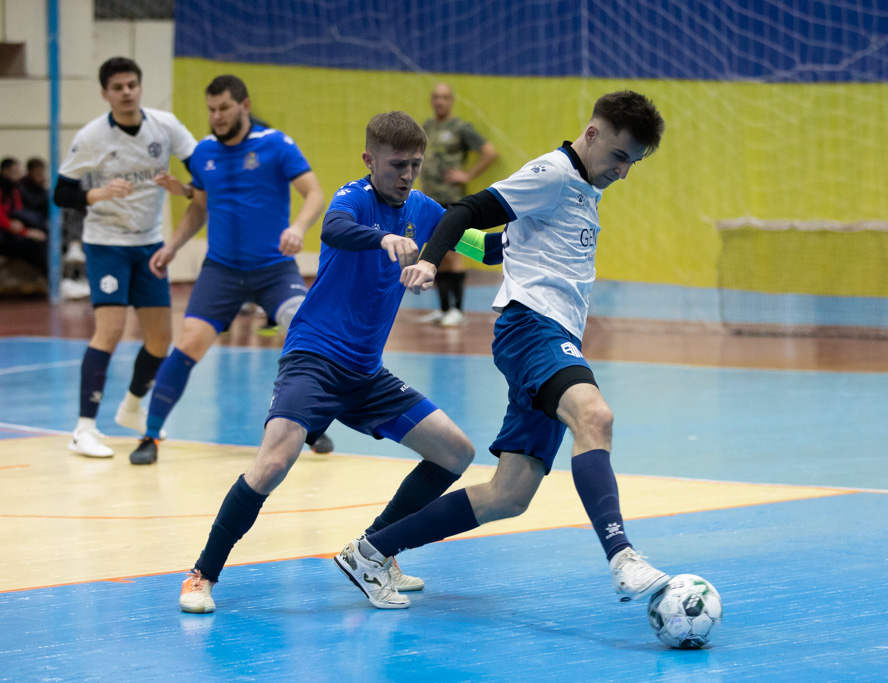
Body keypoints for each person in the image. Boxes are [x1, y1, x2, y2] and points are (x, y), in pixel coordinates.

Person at [335, 91, 670, 610]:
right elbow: (469, 208)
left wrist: (482, 247)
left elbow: (502, 246)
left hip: (552, 335)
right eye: (620, 156)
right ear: (593, 134)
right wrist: (430, 259)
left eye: (634, 163)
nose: (623, 171)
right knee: (594, 416)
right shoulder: (553, 174)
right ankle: (622, 557)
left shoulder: (584, 187)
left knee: (509, 496)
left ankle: (370, 551)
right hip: (533, 329)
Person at [178, 110, 495, 613]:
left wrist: (534, 239)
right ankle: (202, 574)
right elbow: (334, 228)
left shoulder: (424, 208)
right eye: (396, 165)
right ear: (370, 160)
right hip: (315, 358)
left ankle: (373, 551)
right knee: (273, 462)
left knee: (455, 452)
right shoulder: (355, 198)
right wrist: (382, 237)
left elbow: (481, 247)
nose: (407, 175)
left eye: (415, 165)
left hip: (366, 374)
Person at [126, 75, 329, 465]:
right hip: (221, 271)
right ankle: (150, 435)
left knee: (304, 331)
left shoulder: (275, 144)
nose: (216, 116)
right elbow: (198, 207)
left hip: (274, 269)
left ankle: (313, 425)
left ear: (244, 106)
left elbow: (315, 193)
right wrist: (172, 247)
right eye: (211, 109)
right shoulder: (204, 153)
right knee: (188, 343)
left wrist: (298, 227)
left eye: (224, 108)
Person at [53, 57, 198, 457]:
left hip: (150, 244)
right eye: (118, 87)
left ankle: (131, 408)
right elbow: (61, 193)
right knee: (111, 330)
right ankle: (83, 429)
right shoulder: (92, 137)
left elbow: (203, 172)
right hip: (107, 243)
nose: (127, 92)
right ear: (105, 94)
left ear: (140, 86)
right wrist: (95, 194)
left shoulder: (165, 126)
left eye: (132, 84)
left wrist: (185, 190)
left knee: (160, 340)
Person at [417, 83, 499, 327]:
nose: (439, 101)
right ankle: (443, 309)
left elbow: (490, 152)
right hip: (430, 200)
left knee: (453, 254)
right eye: (436, 97)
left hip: (452, 200)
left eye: (444, 97)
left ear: (451, 100)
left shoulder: (460, 128)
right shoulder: (427, 127)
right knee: (437, 254)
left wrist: (467, 175)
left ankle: (458, 310)